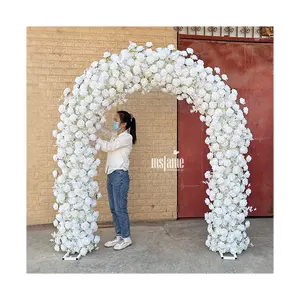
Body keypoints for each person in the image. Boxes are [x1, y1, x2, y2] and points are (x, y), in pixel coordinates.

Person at [96, 110, 137, 251]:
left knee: (120, 208)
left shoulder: (126, 138)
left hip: (120, 175)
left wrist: (95, 139)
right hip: (111, 174)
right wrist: (97, 124)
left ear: (124, 124)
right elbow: (106, 133)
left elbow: (109, 147)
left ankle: (126, 238)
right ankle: (119, 235)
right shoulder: (117, 135)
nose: (113, 122)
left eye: (116, 120)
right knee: (114, 208)